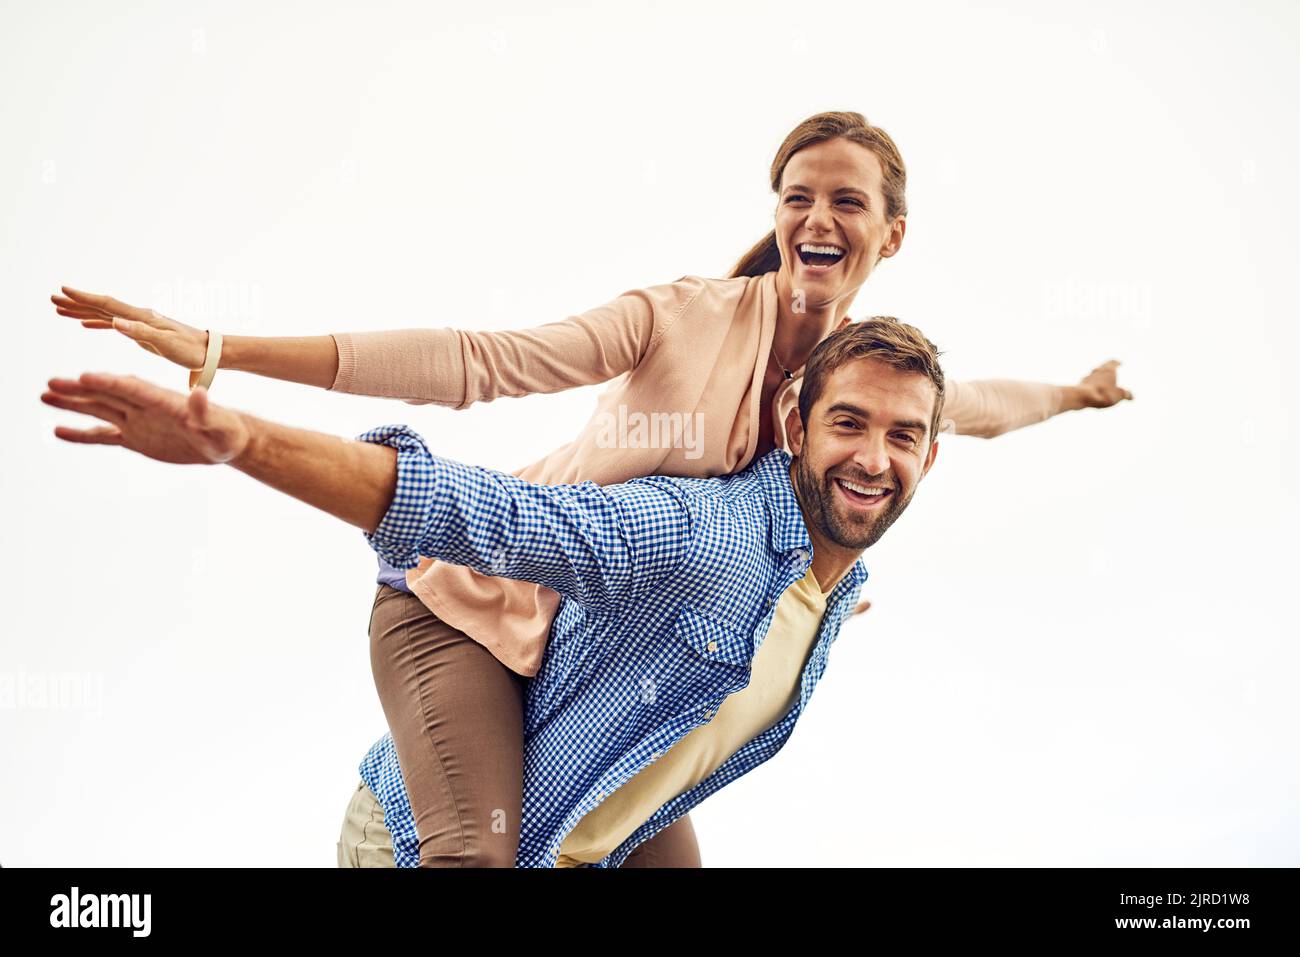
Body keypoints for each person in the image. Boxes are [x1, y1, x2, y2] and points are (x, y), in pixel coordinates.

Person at [49, 111, 1132, 867]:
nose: (817, 216)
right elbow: (477, 360)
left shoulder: (857, 382)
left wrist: (1078, 396)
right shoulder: (680, 314)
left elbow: (977, 404)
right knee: (477, 849)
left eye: (846, 200)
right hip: (466, 597)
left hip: (594, 650)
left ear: (888, 234)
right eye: (796, 194)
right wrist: (228, 348)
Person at [45, 318, 950, 867]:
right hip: (417, 841)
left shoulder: (833, 596)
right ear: (795, 426)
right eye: (848, 423)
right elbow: (499, 516)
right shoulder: (703, 532)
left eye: (903, 436)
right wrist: (241, 439)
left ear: (931, 455)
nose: (874, 458)